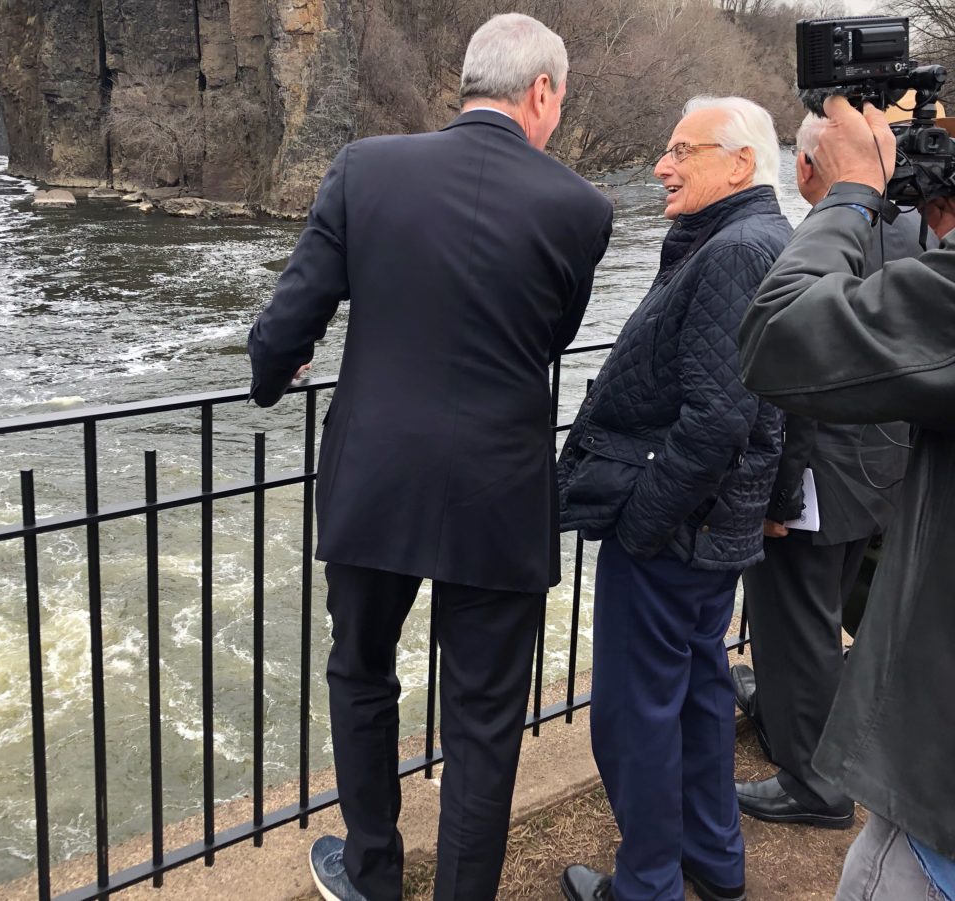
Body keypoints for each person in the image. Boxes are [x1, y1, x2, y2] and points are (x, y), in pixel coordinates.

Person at [247, 13, 613, 901]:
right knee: (485, 720)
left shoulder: (366, 167)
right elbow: (549, 339)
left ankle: (372, 871)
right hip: (500, 489)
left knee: (360, 670)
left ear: (469, 80)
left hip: (377, 480)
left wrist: (273, 373)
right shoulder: (582, 209)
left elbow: (288, 322)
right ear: (540, 93)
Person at [556, 96, 791, 901]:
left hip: (677, 531)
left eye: (681, 151)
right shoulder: (755, 238)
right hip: (711, 529)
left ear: (739, 164)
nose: (662, 165)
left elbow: (720, 416)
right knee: (695, 690)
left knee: (635, 715)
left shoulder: (732, 251)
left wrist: (645, 520)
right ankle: (715, 861)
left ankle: (648, 884)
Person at [738, 94, 955, 901]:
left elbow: (787, 346)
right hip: (879, 475)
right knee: (819, 624)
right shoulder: (916, 238)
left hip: (828, 475)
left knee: (799, 630)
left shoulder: (847, 228)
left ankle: (814, 782)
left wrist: (852, 194)